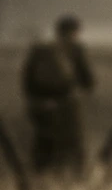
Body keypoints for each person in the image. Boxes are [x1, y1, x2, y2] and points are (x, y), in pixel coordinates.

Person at [21, 14, 94, 176]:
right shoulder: (75, 50)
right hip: (66, 103)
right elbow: (88, 81)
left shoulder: (40, 50)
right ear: (75, 32)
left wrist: (36, 99)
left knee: (45, 140)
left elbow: (27, 79)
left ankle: (40, 174)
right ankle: (72, 175)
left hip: (43, 103)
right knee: (72, 142)